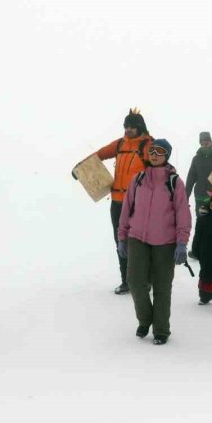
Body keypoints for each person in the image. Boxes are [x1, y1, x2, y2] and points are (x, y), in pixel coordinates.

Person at [117, 139, 192, 344]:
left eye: (160, 151)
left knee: (162, 287)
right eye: (152, 151)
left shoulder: (174, 182)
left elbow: (183, 213)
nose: (155, 154)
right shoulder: (138, 179)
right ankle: (145, 319)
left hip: (165, 242)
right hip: (137, 238)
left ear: (167, 155)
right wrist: (122, 237)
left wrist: (181, 242)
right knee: (135, 282)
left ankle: (161, 329)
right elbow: (126, 210)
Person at [76, 108, 153, 295]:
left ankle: (144, 280)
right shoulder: (120, 144)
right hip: (118, 202)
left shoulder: (148, 146)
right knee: (121, 242)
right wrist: (80, 168)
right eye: (126, 126)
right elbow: (99, 155)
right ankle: (126, 281)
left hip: (138, 203)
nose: (127, 130)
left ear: (140, 127)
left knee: (140, 242)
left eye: (132, 127)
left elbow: (159, 170)